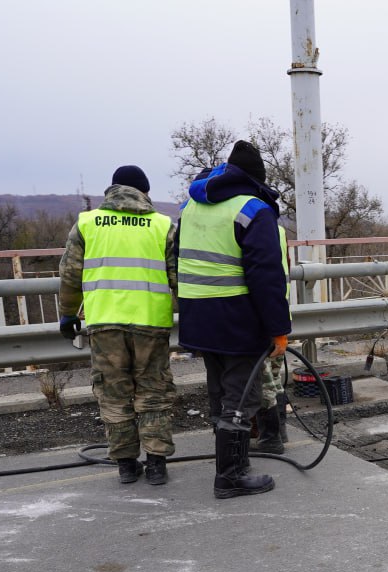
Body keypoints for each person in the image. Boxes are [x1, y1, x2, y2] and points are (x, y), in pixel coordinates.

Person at [176, 141, 291, 498]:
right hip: (236, 318)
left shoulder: (191, 205)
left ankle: (231, 462)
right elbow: (266, 275)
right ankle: (231, 474)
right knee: (241, 396)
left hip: (198, 316)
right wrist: (278, 330)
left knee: (220, 390)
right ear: (258, 179)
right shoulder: (253, 209)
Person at [58, 165, 178, 485]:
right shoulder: (162, 225)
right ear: (145, 192)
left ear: (112, 190)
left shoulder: (88, 223)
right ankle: (156, 464)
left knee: (113, 392)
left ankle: (126, 463)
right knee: (153, 391)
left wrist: (68, 314)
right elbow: (178, 278)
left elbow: (70, 276)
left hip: (104, 324)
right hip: (151, 323)